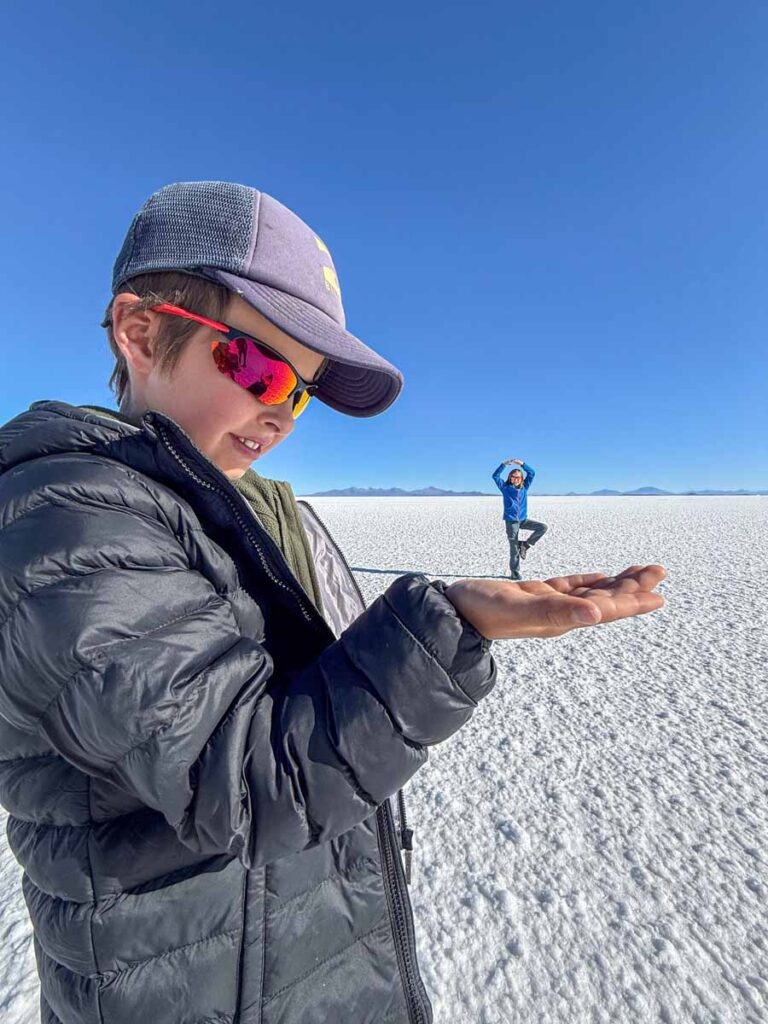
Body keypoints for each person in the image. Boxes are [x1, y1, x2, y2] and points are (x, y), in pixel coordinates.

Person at [0, 181, 665, 1024]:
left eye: (301, 390)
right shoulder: (67, 520)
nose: (280, 411)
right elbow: (249, 783)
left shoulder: (262, 517)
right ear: (139, 332)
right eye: (258, 366)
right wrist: (448, 625)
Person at [493, 457, 548, 580]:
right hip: (511, 521)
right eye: (513, 477)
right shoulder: (505, 488)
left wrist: (522, 464)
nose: (515, 479)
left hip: (523, 520)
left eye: (518, 477)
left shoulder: (525, 487)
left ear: (521, 478)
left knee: (543, 527)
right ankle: (515, 574)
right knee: (514, 550)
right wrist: (504, 464)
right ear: (510, 478)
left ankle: (525, 545)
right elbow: (495, 476)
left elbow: (532, 472)